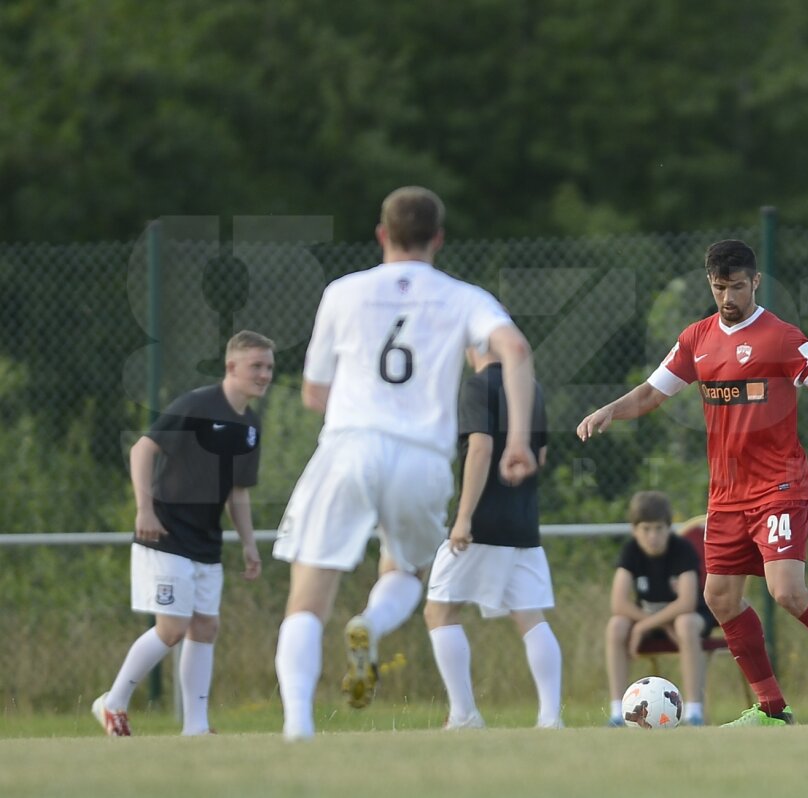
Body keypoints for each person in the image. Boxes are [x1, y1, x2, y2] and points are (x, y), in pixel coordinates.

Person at [578, 239, 808, 726]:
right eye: (718, 287)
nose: (727, 297)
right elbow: (650, 393)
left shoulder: (781, 337)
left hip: (780, 485)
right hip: (726, 494)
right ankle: (771, 708)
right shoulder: (696, 339)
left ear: (756, 283)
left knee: (787, 590)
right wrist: (610, 410)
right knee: (719, 598)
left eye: (737, 287)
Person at [272, 186, 538, 741]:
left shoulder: (343, 292)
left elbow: (313, 393)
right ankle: (369, 624)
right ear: (438, 238)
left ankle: (298, 726)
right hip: (421, 457)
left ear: (381, 235)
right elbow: (514, 349)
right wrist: (515, 440)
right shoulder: (463, 297)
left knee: (309, 593)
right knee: (406, 573)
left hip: (350, 444)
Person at [93, 330, 275, 736]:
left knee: (205, 628)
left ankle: (196, 728)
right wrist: (145, 509)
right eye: (256, 366)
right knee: (172, 629)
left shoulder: (250, 424)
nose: (264, 375)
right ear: (231, 367)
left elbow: (237, 489)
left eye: (268, 367)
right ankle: (113, 702)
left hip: (206, 540)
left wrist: (249, 544)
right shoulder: (197, 405)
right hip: (167, 535)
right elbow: (143, 448)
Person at [422, 345, 562, 729]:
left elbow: (480, 447)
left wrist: (464, 517)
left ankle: (464, 714)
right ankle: (551, 718)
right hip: (523, 522)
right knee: (530, 617)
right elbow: (542, 455)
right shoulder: (530, 386)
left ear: (474, 346)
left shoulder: (477, 386)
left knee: (440, 609)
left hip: (483, 521)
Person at [606, 494, 714, 727]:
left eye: (658, 528)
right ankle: (617, 712)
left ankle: (694, 712)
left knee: (684, 623)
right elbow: (618, 603)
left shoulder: (682, 549)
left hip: (689, 619)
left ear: (668, 528)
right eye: (646, 529)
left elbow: (686, 602)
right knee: (617, 625)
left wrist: (645, 626)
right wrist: (654, 623)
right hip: (654, 619)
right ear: (634, 530)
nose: (653, 536)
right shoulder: (631, 551)